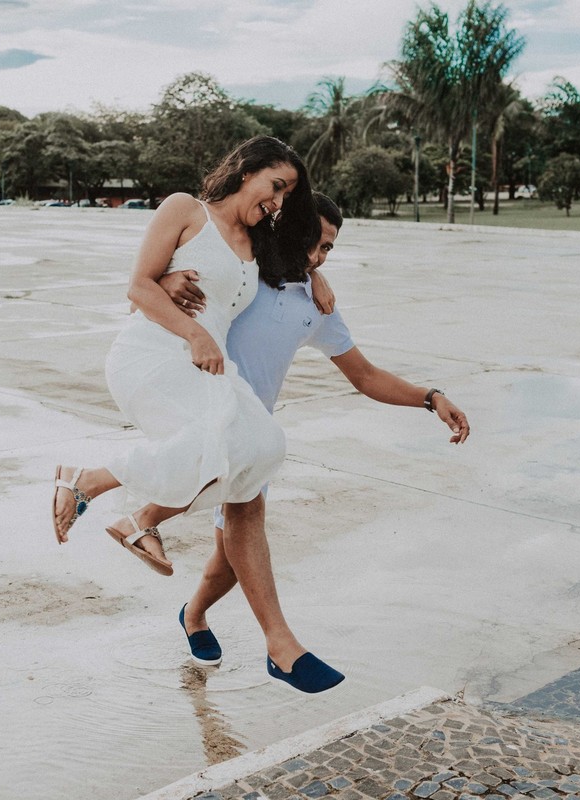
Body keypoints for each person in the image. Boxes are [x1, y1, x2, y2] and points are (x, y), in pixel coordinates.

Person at [51, 135, 345, 694]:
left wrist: (318, 274)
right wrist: (189, 328)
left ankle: (109, 495)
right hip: (155, 357)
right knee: (222, 445)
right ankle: (92, 482)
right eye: (275, 185)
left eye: (287, 194)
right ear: (245, 169)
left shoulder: (261, 240)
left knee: (263, 449)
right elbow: (137, 286)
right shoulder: (185, 209)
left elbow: (301, 255)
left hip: (204, 368)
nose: (279, 201)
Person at [160, 193, 469, 678]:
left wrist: (430, 397)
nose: (318, 257)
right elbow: (175, 278)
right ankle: (280, 646)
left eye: (327, 250)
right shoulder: (243, 273)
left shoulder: (315, 304)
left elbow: (364, 375)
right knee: (246, 517)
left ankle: (193, 614)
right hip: (214, 418)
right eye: (312, 243)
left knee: (230, 551)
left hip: (254, 432)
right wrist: (168, 277)